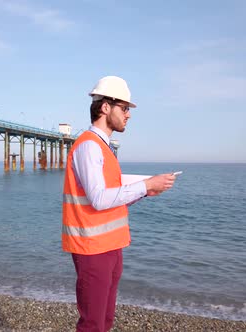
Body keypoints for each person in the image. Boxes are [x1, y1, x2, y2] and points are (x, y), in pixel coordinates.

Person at [62, 76, 176, 332]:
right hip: (92, 249)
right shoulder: (89, 147)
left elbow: (112, 192)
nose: (128, 115)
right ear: (105, 107)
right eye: (124, 108)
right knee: (93, 323)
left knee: (105, 320)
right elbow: (100, 198)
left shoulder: (102, 147)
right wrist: (146, 185)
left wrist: (146, 190)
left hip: (111, 246)